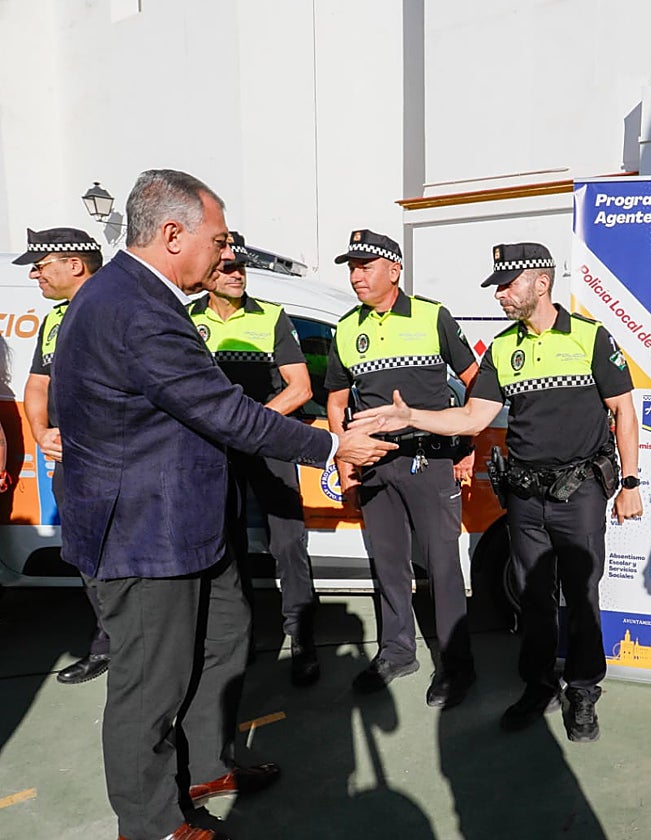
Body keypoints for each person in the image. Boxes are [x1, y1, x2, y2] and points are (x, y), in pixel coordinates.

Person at [52, 168, 392, 840]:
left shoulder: (139, 298)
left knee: (227, 636)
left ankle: (205, 766)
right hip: (145, 533)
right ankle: (150, 824)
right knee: (150, 686)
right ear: (173, 234)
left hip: (187, 522)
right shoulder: (135, 309)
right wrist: (331, 447)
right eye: (219, 238)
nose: (225, 252)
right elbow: (224, 411)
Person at [350, 242, 643, 742]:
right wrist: (410, 416)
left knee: (581, 594)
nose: (500, 295)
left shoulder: (590, 337)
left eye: (508, 285)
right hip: (525, 496)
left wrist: (630, 482)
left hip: (580, 494)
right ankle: (539, 686)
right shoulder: (503, 348)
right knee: (532, 597)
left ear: (541, 283)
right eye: (498, 287)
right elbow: (471, 417)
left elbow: (624, 410)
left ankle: (583, 690)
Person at [324, 228, 478, 706]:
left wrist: (467, 442)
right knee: (388, 562)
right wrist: (345, 459)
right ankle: (397, 651)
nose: (356, 277)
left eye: (365, 267)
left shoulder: (433, 316)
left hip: (429, 459)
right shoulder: (346, 328)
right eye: (352, 268)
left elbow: (476, 381)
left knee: (442, 565)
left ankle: (457, 666)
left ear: (394, 270)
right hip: (375, 465)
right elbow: (336, 400)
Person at [190, 232, 321, 687]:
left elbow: (300, 388)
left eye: (241, 267)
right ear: (209, 271)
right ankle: (237, 640)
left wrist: (251, 425)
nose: (237, 274)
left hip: (268, 444)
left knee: (289, 543)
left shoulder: (271, 316)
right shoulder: (187, 319)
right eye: (227, 267)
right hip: (216, 451)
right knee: (226, 546)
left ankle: (302, 637)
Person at [13, 227, 111, 684]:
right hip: (71, 464)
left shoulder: (116, 309)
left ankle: (139, 648)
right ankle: (107, 642)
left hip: (115, 462)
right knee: (86, 556)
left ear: (75, 265)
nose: (35, 274)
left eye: (40, 265)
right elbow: (38, 383)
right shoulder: (54, 319)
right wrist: (40, 431)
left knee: (125, 556)